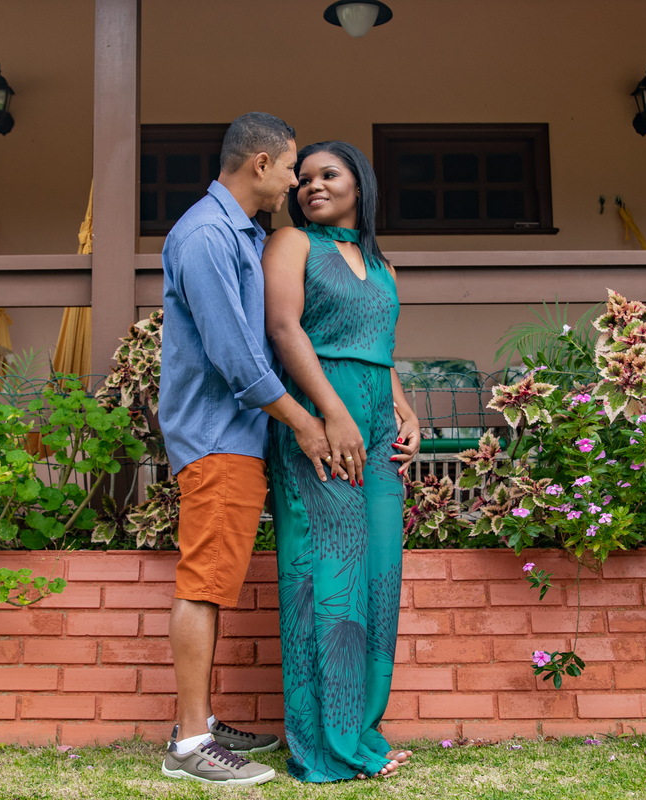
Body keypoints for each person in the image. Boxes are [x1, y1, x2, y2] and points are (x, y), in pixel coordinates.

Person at [157, 112, 335, 787]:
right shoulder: (206, 235)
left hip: (230, 438)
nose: (296, 180)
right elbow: (236, 357)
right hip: (216, 437)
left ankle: (198, 719)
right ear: (259, 163)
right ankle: (191, 745)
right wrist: (303, 422)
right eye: (291, 166)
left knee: (215, 580)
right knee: (204, 585)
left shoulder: (238, 233)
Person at [261, 140, 421, 782]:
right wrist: (332, 414)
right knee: (327, 576)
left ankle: (360, 730)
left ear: (361, 182)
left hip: (378, 426)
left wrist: (405, 410)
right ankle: (323, 746)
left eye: (328, 175)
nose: (311, 187)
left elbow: (379, 348)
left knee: (379, 574)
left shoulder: (381, 262)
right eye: (302, 180)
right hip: (322, 422)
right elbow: (284, 330)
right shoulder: (292, 245)